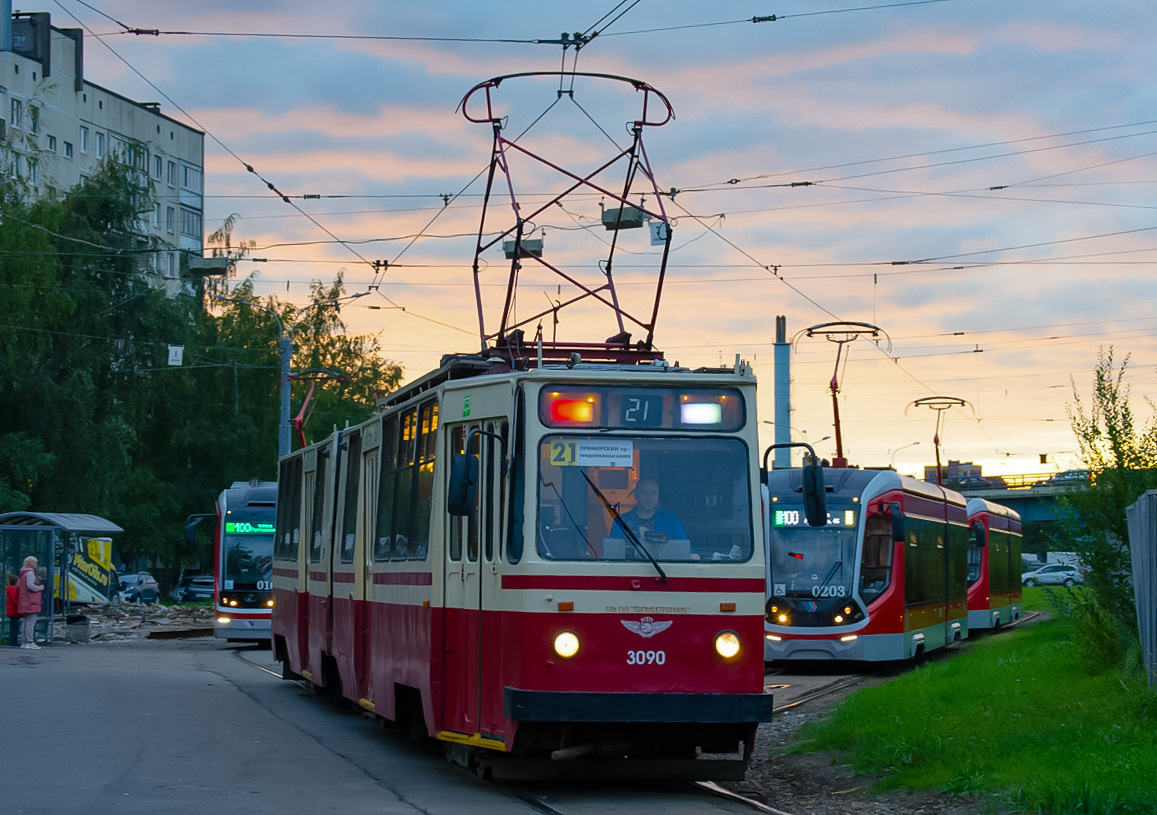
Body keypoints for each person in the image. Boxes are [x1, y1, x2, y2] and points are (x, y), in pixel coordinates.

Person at [608, 478, 690, 544]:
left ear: (658, 495)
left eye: (654, 493)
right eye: (644, 493)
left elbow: (683, 549)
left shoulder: (671, 520)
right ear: (635, 495)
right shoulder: (621, 522)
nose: (650, 497)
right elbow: (613, 551)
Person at [17, 556, 45, 650]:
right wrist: (39, 588)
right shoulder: (30, 573)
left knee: (25, 621)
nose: (36, 565)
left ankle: (25, 641)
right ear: (29, 563)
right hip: (31, 600)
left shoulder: (23, 573)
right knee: (31, 622)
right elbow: (30, 586)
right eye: (34, 563)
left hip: (24, 600)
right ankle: (30, 641)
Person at [5, 574, 19, 647]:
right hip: (14, 611)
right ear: (16, 582)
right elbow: (15, 600)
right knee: (14, 627)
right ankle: (13, 641)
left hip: (12, 611)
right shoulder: (13, 590)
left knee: (14, 626)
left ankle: (13, 640)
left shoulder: (10, 589)